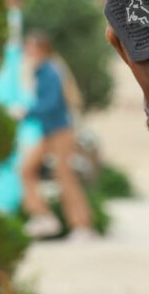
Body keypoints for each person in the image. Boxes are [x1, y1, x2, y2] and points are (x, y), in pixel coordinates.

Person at [19, 31, 95, 240]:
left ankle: (82, 225)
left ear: (42, 49)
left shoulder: (51, 71)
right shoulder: (41, 71)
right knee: (27, 170)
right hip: (49, 131)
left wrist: (26, 112)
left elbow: (51, 104)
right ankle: (43, 216)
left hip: (60, 131)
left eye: (31, 48)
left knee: (65, 176)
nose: (27, 52)